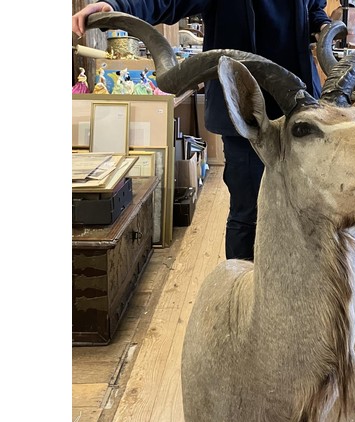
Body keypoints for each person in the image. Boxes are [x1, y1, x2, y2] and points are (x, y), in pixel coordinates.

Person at [73, 1, 332, 260]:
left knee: (305, 208)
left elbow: (312, 10)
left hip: (299, 109)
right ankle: (242, 292)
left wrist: (323, 26)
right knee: (248, 212)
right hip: (245, 112)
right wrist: (116, 5)